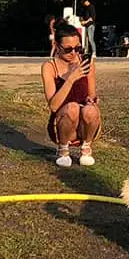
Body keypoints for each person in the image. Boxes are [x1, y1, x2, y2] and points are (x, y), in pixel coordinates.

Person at [42, 22, 101, 167]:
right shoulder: (49, 67)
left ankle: (86, 147)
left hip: (84, 124)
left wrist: (92, 100)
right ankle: (63, 149)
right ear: (57, 45)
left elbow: (92, 93)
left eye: (78, 48)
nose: (74, 53)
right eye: (68, 49)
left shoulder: (86, 64)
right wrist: (71, 78)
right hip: (62, 122)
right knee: (72, 108)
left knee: (91, 110)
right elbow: (54, 106)